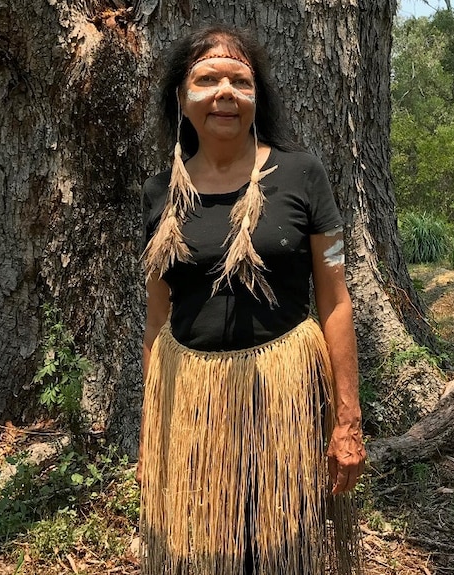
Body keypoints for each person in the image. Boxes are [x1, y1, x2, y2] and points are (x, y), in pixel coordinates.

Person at [138, 24, 366, 575]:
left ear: (257, 97)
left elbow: (335, 299)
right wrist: (153, 424)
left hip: (281, 397)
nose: (225, 92)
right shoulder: (160, 193)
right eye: (207, 79)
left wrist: (347, 420)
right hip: (193, 400)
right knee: (201, 553)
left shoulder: (301, 175)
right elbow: (157, 315)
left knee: (281, 547)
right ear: (181, 98)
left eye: (240, 81)